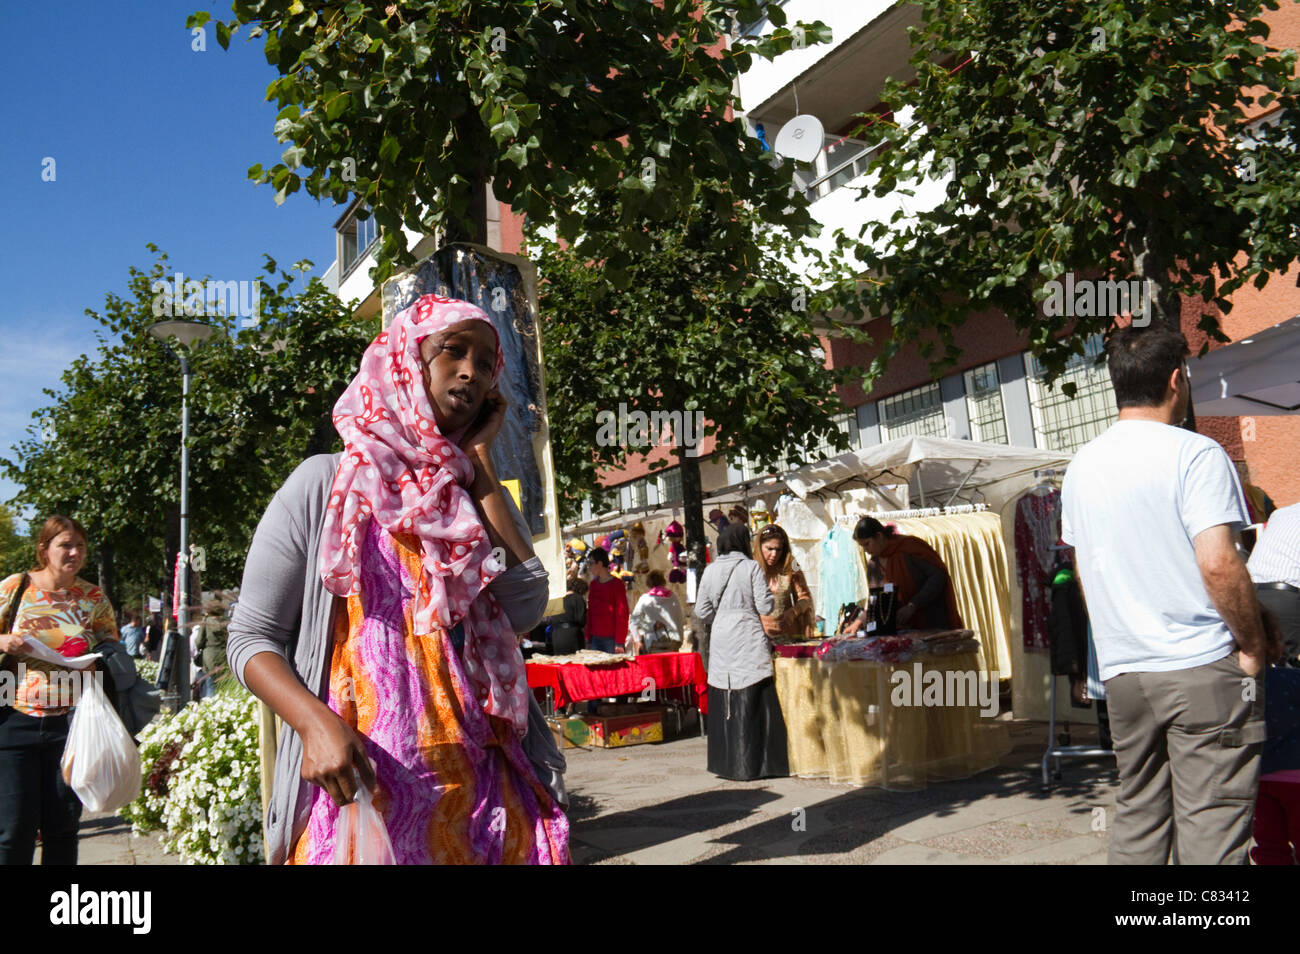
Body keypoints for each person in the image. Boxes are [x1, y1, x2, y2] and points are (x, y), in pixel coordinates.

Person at [227, 293, 568, 865]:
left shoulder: (468, 497)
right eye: (452, 352)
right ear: (406, 361)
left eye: (486, 363)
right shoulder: (324, 485)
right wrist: (314, 724)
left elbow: (527, 606)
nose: (470, 371)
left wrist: (480, 460)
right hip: (360, 791)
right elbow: (250, 637)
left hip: (483, 797)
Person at [1061, 324, 1269, 865]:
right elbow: (1220, 563)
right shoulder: (1196, 454)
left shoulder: (1082, 465)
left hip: (1126, 671)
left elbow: (1085, 569)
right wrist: (1250, 646)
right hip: (1198, 664)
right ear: (1177, 379)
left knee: (1139, 814)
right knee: (1212, 823)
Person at [0, 515, 118, 865]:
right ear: (44, 549)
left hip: (70, 726)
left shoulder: (92, 597)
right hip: (13, 719)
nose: (74, 552)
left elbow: (111, 646)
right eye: (65, 545)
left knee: (63, 828)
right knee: (13, 830)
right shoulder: (15, 587)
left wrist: (99, 660)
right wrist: (5, 640)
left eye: (80, 546)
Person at [694, 523, 787, 781]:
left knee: (727, 695)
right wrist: (772, 594)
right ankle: (757, 764)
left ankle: (726, 764)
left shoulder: (710, 570)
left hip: (722, 637)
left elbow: (701, 611)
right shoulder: (751, 567)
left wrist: (721, 616)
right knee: (754, 695)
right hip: (747, 634)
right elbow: (765, 605)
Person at [851, 516, 963, 630]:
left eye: (867, 544)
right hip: (902, 628)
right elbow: (877, 599)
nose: (865, 550)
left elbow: (938, 576)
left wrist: (913, 605)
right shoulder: (874, 564)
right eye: (862, 546)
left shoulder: (909, 548)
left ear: (879, 536)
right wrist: (859, 621)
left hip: (931, 622)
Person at [1249, 501, 1300, 664]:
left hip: (1249, 595)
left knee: (1260, 668)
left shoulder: (1281, 514)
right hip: (1285, 598)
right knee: (1288, 670)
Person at [754, 524, 815, 642]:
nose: (774, 555)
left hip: (788, 633)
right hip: (759, 635)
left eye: (778, 549)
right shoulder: (750, 566)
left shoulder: (792, 564)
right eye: (769, 549)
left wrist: (793, 612)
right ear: (759, 546)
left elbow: (805, 597)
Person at [629, 570, 685, 655]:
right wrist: (680, 640)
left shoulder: (645, 599)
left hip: (652, 642)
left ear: (649, 583)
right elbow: (679, 619)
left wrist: (640, 638)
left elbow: (633, 621)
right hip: (673, 641)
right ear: (663, 581)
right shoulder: (673, 597)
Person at [584, 547, 628, 654]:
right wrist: (588, 637)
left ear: (599, 563)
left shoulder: (617, 584)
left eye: (591, 563)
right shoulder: (593, 585)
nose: (589, 567)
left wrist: (619, 642)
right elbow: (590, 613)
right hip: (595, 638)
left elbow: (622, 613)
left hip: (611, 639)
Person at [193, 600, 229, 699]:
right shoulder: (226, 621)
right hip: (223, 656)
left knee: (210, 686)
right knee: (224, 687)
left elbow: (199, 641)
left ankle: (211, 705)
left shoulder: (206, 622)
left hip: (209, 657)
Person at [550, 578, 587, 656]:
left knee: (560, 661)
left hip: (556, 635)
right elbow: (581, 620)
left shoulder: (557, 599)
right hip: (572, 635)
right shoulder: (577, 598)